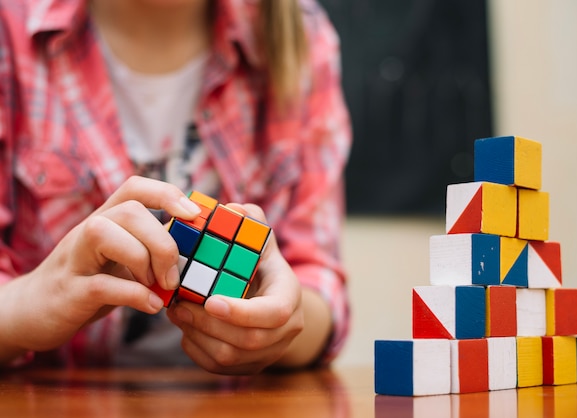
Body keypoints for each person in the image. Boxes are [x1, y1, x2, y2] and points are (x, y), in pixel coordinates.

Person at [0, 0, 351, 374]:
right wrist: (29, 301)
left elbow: (319, 283)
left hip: (238, 403)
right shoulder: (10, 29)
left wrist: (281, 320)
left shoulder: (300, 31)